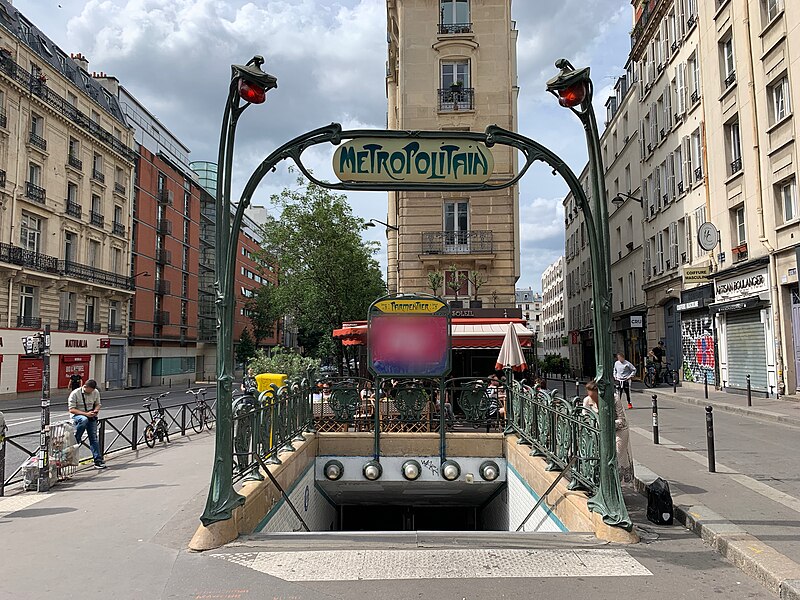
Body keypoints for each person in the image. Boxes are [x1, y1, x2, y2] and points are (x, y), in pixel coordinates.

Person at [582, 380, 634, 484]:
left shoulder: (613, 398)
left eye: (594, 396)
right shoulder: (587, 401)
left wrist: (607, 424)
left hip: (619, 430)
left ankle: (618, 484)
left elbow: (622, 420)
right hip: (599, 432)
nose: (592, 399)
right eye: (590, 395)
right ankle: (602, 482)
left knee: (617, 455)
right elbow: (585, 417)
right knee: (600, 456)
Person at [68, 379, 105, 469]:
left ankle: (98, 460)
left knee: (93, 438)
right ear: (85, 387)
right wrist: (85, 414)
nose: (91, 392)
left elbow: (98, 404)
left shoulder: (95, 392)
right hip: (78, 416)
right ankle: (77, 438)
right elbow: (71, 409)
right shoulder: (75, 393)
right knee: (84, 420)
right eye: (90, 391)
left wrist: (96, 410)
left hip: (91, 416)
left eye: (92, 391)